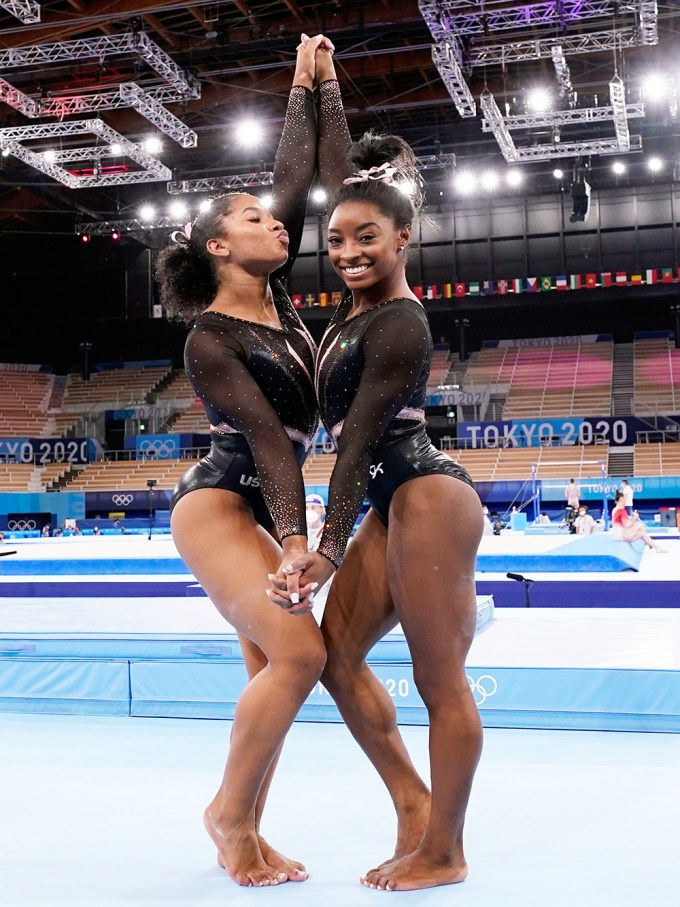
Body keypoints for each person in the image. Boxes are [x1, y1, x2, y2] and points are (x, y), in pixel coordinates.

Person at [270, 103, 484, 889]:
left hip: (425, 492)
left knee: (439, 680)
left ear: (403, 240)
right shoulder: (349, 311)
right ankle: (412, 800)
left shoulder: (398, 323)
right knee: (336, 658)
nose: (349, 250)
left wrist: (325, 547)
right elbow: (340, 187)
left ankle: (446, 849)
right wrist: (316, 87)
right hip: (394, 502)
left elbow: (358, 441)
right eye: (337, 240)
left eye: (368, 237)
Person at [154, 35, 345, 888]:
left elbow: (297, 181)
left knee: (278, 667)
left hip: (268, 507)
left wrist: (309, 86)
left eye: (271, 219)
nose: (273, 222)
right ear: (218, 249)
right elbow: (270, 442)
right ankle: (228, 816)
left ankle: (250, 831)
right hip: (222, 503)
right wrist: (299, 539)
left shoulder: (282, 300)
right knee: (301, 655)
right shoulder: (212, 337)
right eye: (249, 218)